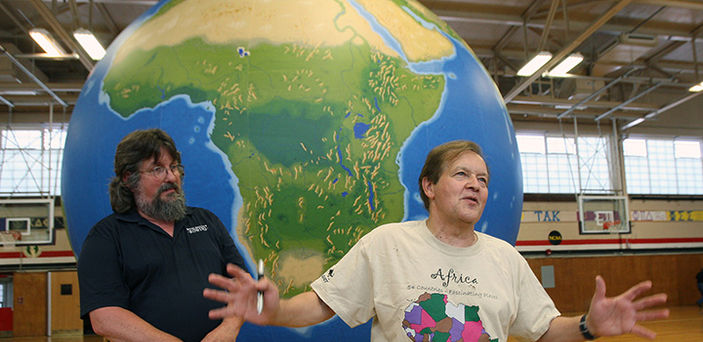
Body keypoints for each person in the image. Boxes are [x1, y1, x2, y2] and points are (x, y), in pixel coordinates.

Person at [203, 140, 669, 341]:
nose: (475, 186)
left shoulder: (506, 259)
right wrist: (273, 310)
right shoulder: (386, 244)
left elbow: (544, 330)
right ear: (428, 186)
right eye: (462, 174)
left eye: (483, 180)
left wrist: (589, 324)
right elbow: (326, 304)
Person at [78, 128, 247, 342]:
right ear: (130, 179)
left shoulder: (207, 222)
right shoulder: (105, 237)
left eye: (174, 167)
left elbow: (242, 283)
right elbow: (104, 317)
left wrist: (228, 328)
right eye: (158, 169)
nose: (171, 177)